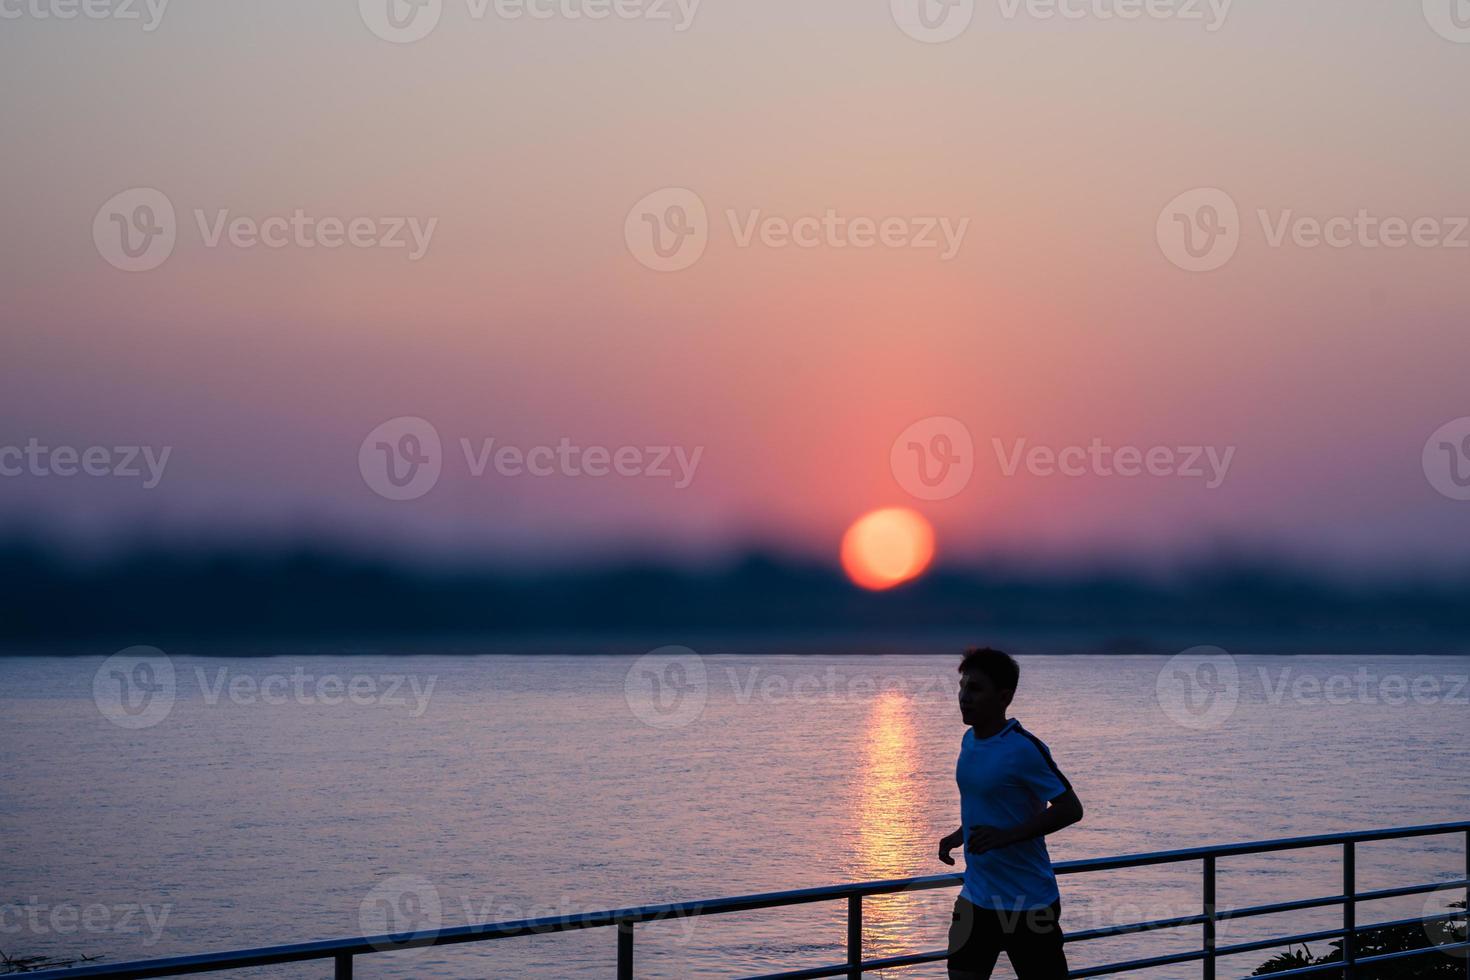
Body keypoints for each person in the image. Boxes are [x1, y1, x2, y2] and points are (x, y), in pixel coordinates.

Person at [937, 647, 1084, 979]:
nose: (963, 697)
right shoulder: (969, 741)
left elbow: (1071, 809)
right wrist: (959, 834)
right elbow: (989, 802)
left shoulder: (1024, 749)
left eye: (975, 689)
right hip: (976, 900)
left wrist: (1006, 836)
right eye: (962, 687)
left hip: (1028, 903)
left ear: (1004, 697)